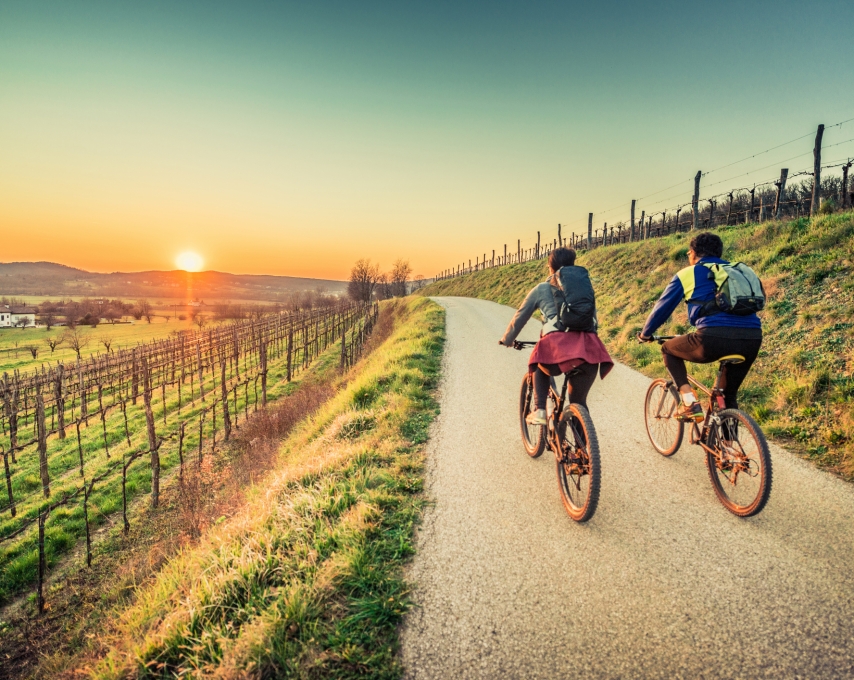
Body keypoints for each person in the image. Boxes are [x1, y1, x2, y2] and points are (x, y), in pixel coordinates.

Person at [638, 232, 762, 421]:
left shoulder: (689, 273)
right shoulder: (738, 272)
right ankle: (726, 448)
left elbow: (661, 309)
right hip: (752, 339)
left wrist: (645, 334)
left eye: (689, 253)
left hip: (712, 338)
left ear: (694, 253)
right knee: (727, 396)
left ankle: (689, 402)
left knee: (668, 349)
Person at [499, 247, 613, 424]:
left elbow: (520, 316)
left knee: (537, 363)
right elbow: (592, 319)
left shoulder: (542, 288)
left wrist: (507, 339)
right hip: (588, 349)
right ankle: (584, 450)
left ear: (550, 267)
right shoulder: (583, 288)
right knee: (579, 402)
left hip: (557, 348)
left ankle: (540, 410)